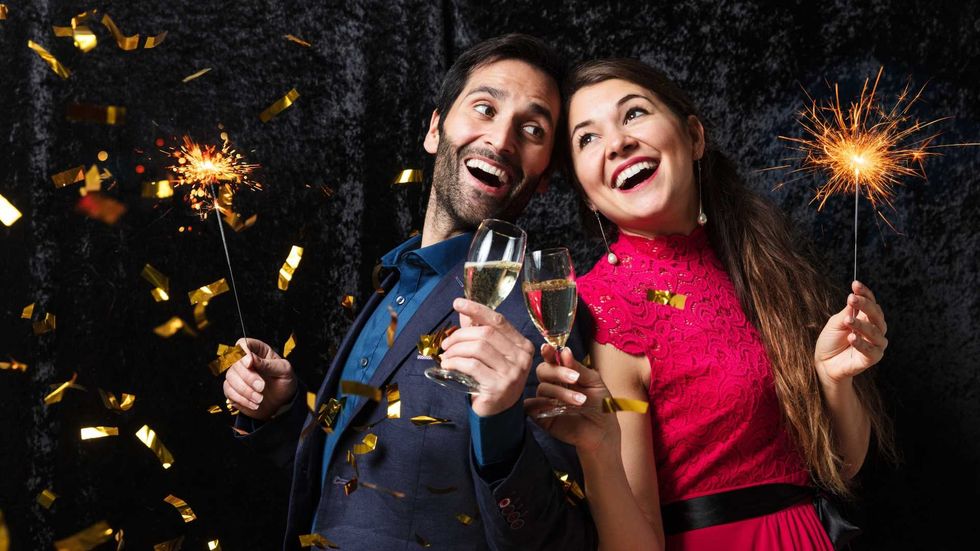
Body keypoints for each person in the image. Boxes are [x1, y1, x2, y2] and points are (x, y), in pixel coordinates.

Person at [222, 34, 598, 550]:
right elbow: (352, 485)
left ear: (545, 177)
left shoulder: (537, 313)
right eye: (485, 108)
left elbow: (562, 540)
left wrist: (503, 423)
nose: (502, 139)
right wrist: (283, 414)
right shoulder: (395, 284)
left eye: (532, 129)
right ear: (435, 128)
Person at [526, 58, 895, 550]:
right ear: (588, 196)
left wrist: (834, 380)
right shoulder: (603, 308)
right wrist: (597, 449)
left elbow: (843, 467)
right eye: (586, 138)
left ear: (694, 138)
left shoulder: (765, 262)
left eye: (633, 113)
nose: (616, 142)